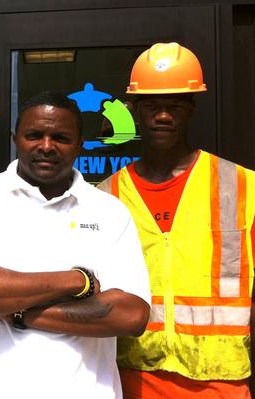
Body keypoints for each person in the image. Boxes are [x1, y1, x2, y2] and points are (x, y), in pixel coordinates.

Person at [0, 91, 151, 399]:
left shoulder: (108, 211)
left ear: (80, 144)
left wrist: (20, 314)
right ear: (15, 138)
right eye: (34, 135)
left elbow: (131, 315)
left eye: (61, 137)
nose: (46, 146)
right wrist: (76, 280)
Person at [98, 42, 255, 399]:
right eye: (153, 105)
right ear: (135, 110)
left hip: (221, 385)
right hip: (129, 379)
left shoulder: (243, 187)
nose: (163, 116)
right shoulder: (106, 197)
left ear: (191, 109)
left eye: (174, 106)